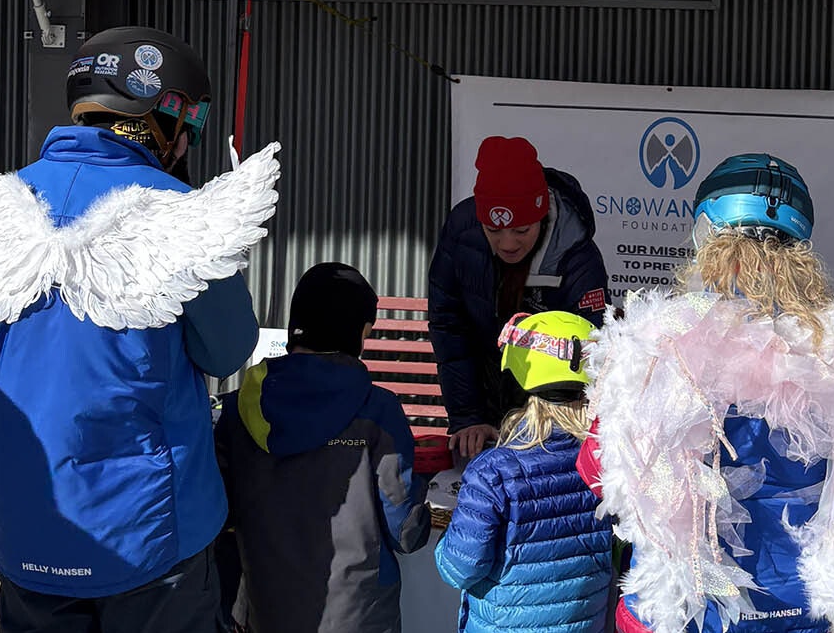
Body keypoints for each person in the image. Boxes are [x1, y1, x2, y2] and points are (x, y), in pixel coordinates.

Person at [0, 25, 279, 632]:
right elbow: (227, 351)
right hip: (153, 537)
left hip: (28, 527)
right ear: (167, 117)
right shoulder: (181, 216)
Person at [579, 153, 834, 633]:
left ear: (705, 236)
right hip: (817, 607)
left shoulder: (659, 351)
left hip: (698, 610)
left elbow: (602, 472)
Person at [214, 262, 432, 633]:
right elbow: (407, 531)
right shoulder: (377, 409)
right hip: (358, 615)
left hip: (265, 609)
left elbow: (219, 515)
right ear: (358, 333)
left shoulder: (237, 409)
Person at [429, 135, 608, 459]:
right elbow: (449, 325)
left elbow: (590, 350)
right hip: (484, 398)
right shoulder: (461, 230)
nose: (508, 243)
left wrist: (548, 424)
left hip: (552, 416)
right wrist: (469, 418)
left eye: (522, 230)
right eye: (493, 230)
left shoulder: (576, 254)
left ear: (541, 216)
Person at [435, 310, 613, 633]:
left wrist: (443, 547)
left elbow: (460, 567)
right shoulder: (609, 460)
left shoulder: (492, 473)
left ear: (517, 387)